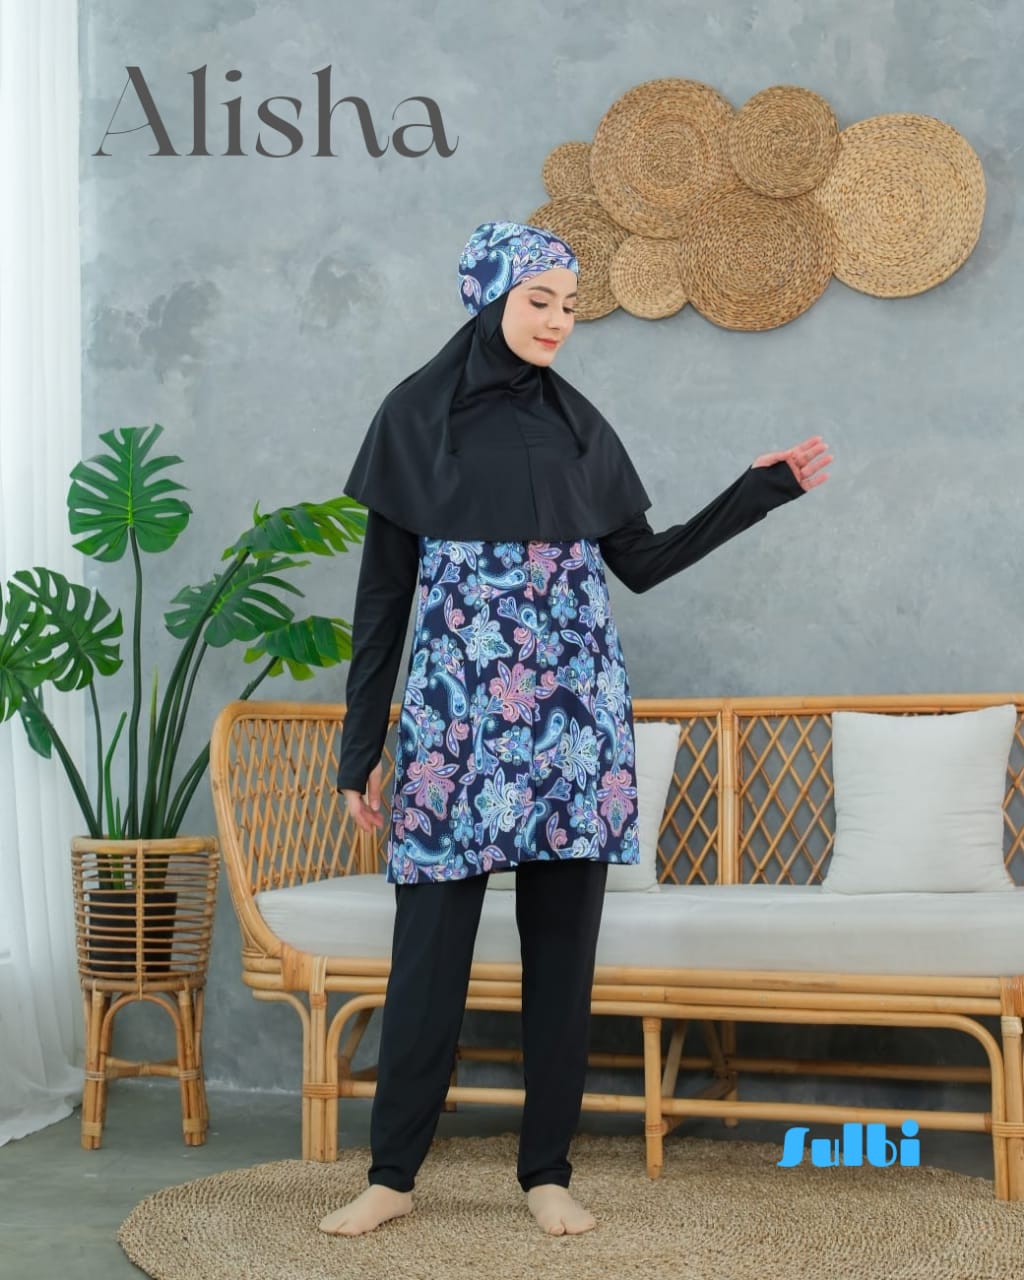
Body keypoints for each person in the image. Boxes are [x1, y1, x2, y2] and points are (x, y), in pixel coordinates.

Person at [320, 220, 832, 1238]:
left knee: (563, 958)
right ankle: (392, 1174)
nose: (558, 320)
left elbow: (640, 561)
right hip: (455, 725)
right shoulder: (411, 418)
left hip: (571, 725)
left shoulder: (579, 426)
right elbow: (383, 599)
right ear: (491, 298)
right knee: (428, 957)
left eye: (569, 304)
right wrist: (360, 748)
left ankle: (546, 1171)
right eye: (539, 300)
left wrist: (756, 491)